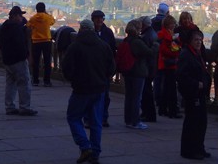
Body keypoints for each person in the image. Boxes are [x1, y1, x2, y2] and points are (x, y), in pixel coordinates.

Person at [62, 19, 115, 164]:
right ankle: (95, 153)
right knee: (96, 122)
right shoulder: (103, 46)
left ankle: (85, 147)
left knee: (73, 117)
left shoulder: (75, 46)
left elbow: (67, 68)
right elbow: (111, 67)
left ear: (81, 29)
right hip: (99, 89)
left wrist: (73, 79)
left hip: (81, 89)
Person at [177, 30, 211, 160]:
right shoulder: (186, 54)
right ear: (190, 41)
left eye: (200, 40)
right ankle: (189, 150)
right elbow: (181, 75)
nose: (199, 42)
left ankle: (199, 148)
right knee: (192, 123)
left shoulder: (196, 53)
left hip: (199, 93)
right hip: (192, 93)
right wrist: (197, 84)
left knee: (201, 122)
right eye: (196, 39)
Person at [0, 5, 38, 116]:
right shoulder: (16, 28)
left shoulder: (5, 26)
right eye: (20, 15)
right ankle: (24, 107)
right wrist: (26, 55)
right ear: (15, 16)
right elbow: (20, 44)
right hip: (18, 59)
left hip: (7, 59)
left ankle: (9, 106)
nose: (21, 18)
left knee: (10, 83)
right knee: (24, 82)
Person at [122, 19, 154, 130]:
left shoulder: (126, 40)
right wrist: (155, 45)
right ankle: (135, 121)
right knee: (136, 98)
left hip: (127, 71)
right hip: (138, 71)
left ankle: (128, 120)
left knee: (129, 97)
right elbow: (149, 52)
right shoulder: (137, 41)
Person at [91, 10, 116, 127]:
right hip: (92, 69)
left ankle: (104, 118)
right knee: (92, 96)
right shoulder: (89, 33)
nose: (100, 20)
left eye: (101, 18)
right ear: (93, 20)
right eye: (97, 18)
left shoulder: (108, 32)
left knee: (105, 96)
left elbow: (113, 51)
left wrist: (112, 70)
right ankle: (91, 118)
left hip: (105, 70)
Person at [157, 14, 182, 118]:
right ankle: (172, 110)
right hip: (169, 63)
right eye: (172, 24)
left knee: (167, 88)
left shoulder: (167, 34)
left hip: (167, 63)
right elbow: (166, 50)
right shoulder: (165, 35)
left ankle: (163, 109)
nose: (174, 25)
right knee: (170, 88)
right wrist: (176, 49)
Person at [27, 2, 55, 87]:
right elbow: (53, 21)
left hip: (36, 42)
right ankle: (47, 81)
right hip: (47, 41)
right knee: (47, 61)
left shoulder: (33, 18)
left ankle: (35, 80)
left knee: (36, 62)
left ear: (36, 9)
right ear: (44, 9)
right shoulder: (47, 18)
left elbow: (28, 25)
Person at [139, 16, 159, 123]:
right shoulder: (152, 33)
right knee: (147, 92)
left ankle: (148, 114)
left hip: (148, 67)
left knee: (146, 93)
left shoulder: (146, 36)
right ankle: (148, 114)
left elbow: (146, 53)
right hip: (152, 66)